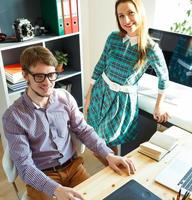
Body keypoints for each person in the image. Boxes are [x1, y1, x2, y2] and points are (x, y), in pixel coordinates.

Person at [2, 46, 136, 200]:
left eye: (51, 75)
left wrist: (108, 155)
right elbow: (25, 168)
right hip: (42, 176)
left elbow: (84, 130)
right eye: (39, 76)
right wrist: (56, 190)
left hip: (74, 167)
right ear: (25, 75)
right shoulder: (13, 117)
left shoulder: (64, 97)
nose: (47, 82)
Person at [84, 0, 169, 156]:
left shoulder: (151, 48)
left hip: (121, 101)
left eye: (130, 13)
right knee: (95, 141)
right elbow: (101, 64)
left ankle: (114, 168)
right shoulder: (113, 38)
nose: (126, 21)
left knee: (108, 143)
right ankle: (112, 169)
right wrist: (89, 93)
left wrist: (159, 105)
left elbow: (164, 77)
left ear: (140, 13)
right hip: (100, 91)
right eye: (121, 16)